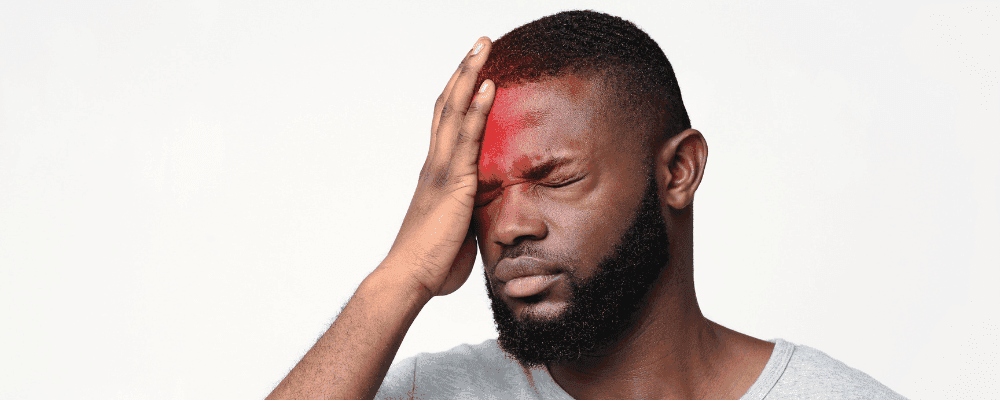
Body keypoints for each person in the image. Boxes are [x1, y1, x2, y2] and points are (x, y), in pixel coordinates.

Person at [267, 10, 907, 400]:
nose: (509, 225)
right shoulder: (425, 392)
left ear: (678, 171)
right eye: (484, 192)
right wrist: (400, 277)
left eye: (553, 177)